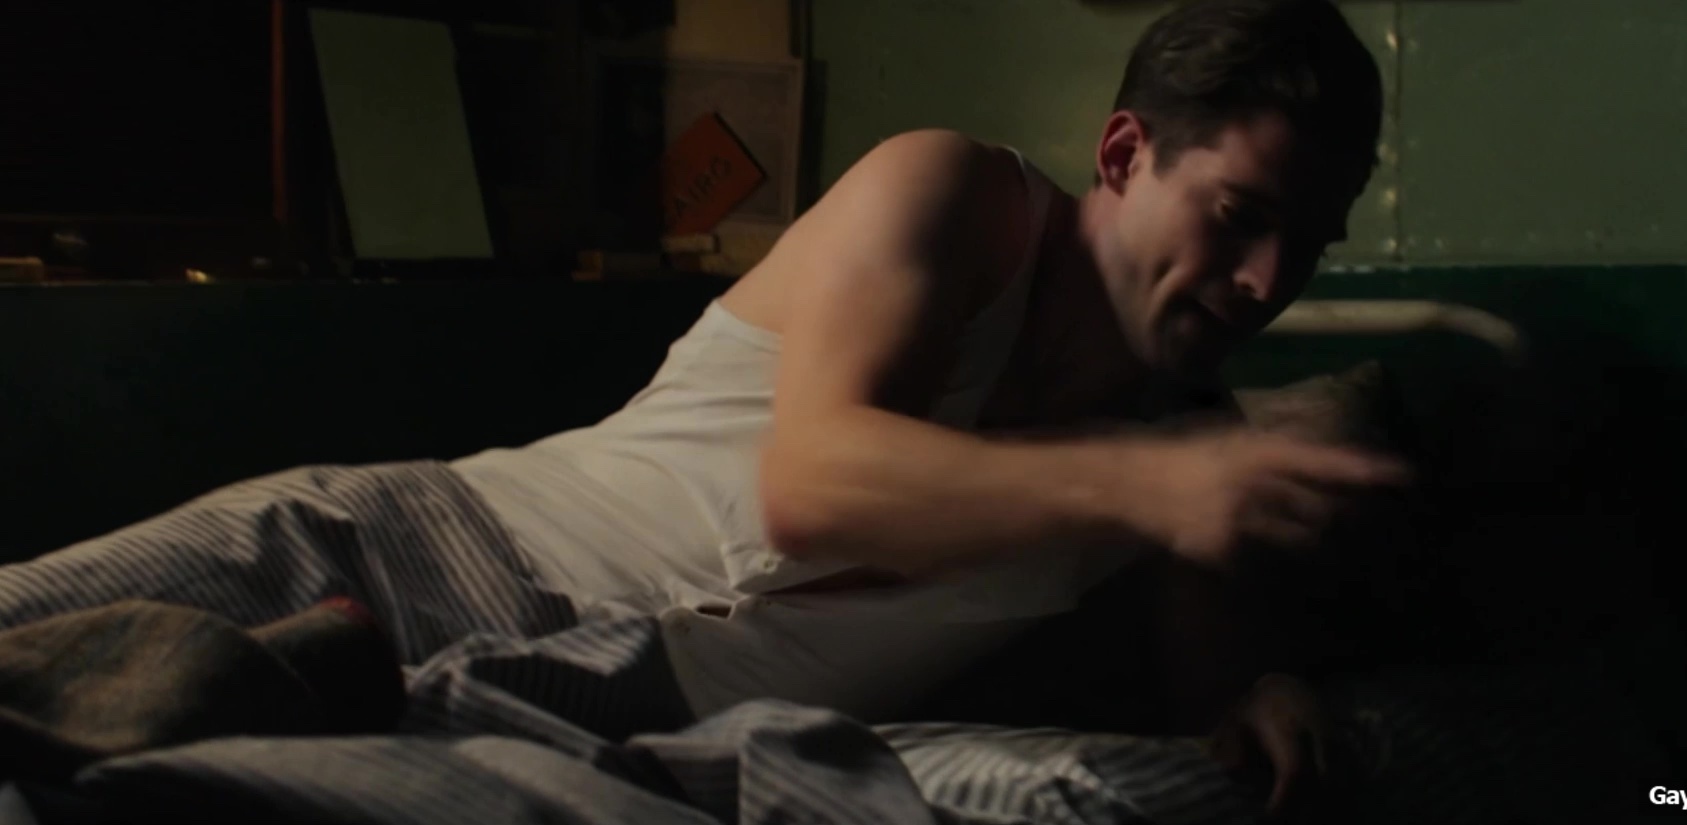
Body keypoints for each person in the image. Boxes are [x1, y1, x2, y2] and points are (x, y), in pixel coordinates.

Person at [0, 0, 1395, 815]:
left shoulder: (1192, 447)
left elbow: (1206, 687)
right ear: (1125, 153)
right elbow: (817, 482)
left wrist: (1264, 689)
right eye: (1241, 216)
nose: (1268, 280)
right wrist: (1144, 485)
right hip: (427, 550)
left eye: (1311, 243)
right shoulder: (956, 196)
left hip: (612, 730)